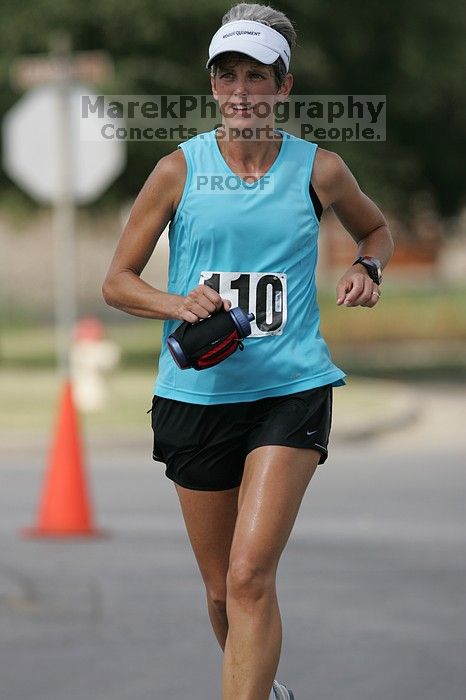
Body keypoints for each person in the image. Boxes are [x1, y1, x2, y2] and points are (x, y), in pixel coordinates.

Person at [102, 3, 394, 698]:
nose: (241, 90)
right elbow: (116, 282)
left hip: (289, 388)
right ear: (212, 86)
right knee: (218, 590)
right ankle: (267, 689)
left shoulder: (319, 170)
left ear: (283, 87)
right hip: (195, 392)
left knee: (248, 575)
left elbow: (375, 230)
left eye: (257, 76)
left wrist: (368, 267)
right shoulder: (177, 170)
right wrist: (177, 302)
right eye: (227, 75)